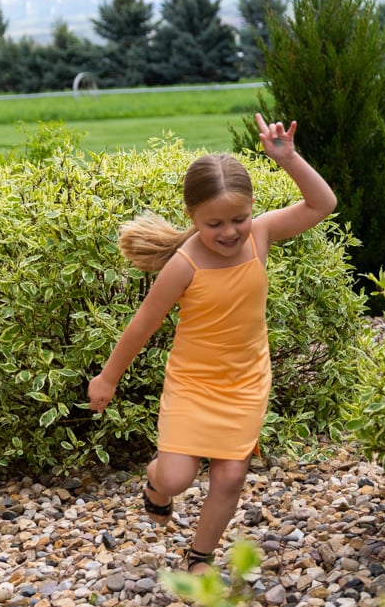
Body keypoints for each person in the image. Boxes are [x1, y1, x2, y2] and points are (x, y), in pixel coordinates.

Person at [88, 113, 337, 574]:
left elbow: (322, 204)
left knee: (230, 474)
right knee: (177, 478)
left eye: (238, 219)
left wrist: (290, 159)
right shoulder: (184, 265)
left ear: (252, 210)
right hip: (194, 383)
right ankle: (155, 483)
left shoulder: (260, 235)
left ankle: (199, 557)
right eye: (214, 223)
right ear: (192, 217)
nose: (230, 232)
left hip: (245, 381)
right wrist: (107, 378)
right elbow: (142, 324)